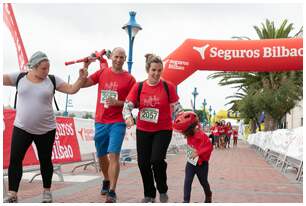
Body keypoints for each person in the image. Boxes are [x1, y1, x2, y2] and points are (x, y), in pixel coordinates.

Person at [3, 51, 88, 203]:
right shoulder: (20, 77)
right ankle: (12, 194)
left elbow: (72, 89)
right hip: (22, 127)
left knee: (45, 160)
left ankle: (47, 191)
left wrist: (81, 78)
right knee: (15, 160)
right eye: (43, 68)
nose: (46, 71)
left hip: (46, 129)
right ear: (33, 67)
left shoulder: (52, 80)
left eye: (48, 68)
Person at [123, 53, 183, 203]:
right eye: (153, 70)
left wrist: (183, 118)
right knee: (143, 163)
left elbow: (177, 108)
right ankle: (149, 194)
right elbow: (126, 106)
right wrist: (128, 118)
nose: (156, 73)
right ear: (147, 70)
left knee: (156, 160)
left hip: (163, 129)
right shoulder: (139, 86)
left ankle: (162, 189)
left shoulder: (168, 87)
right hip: (143, 130)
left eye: (159, 70)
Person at [81, 47, 136, 203]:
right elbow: (84, 83)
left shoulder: (130, 78)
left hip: (118, 122)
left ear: (125, 59)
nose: (118, 60)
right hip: (100, 120)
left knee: (114, 154)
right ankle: (106, 179)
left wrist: (117, 102)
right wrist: (86, 66)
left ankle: (112, 190)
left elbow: (134, 102)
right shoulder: (103, 72)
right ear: (111, 57)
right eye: (116, 56)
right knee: (101, 154)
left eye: (122, 57)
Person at [173, 111, 213, 203]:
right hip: (191, 162)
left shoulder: (202, 135)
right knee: (187, 181)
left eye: (184, 132)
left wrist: (198, 153)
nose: (183, 134)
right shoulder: (189, 134)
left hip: (202, 164)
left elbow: (209, 147)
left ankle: (208, 195)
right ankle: (186, 201)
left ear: (189, 129)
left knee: (203, 182)